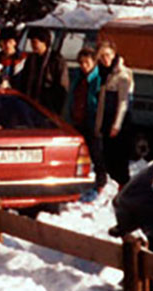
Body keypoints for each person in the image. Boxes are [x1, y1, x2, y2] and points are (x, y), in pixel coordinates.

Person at [66, 47, 105, 201]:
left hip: (92, 120)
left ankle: (100, 183)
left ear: (94, 62)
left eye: (87, 62)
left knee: (97, 154)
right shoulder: (78, 77)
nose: (84, 66)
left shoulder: (99, 78)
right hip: (78, 118)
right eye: (81, 62)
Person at [95, 39, 133, 187]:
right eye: (102, 56)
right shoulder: (104, 73)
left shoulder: (122, 74)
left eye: (108, 55)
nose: (105, 59)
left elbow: (123, 102)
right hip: (106, 118)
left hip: (119, 121)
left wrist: (116, 125)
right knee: (107, 156)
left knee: (119, 158)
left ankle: (123, 187)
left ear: (114, 54)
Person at [15, 26, 68, 114]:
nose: (32, 45)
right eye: (31, 42)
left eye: (35, 42)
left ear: (44, 42)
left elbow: (62, 86)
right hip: (30, 104)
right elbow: (24, 81)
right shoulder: (31, 59)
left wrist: (56, 109)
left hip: (48, 106)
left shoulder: (56, 60)